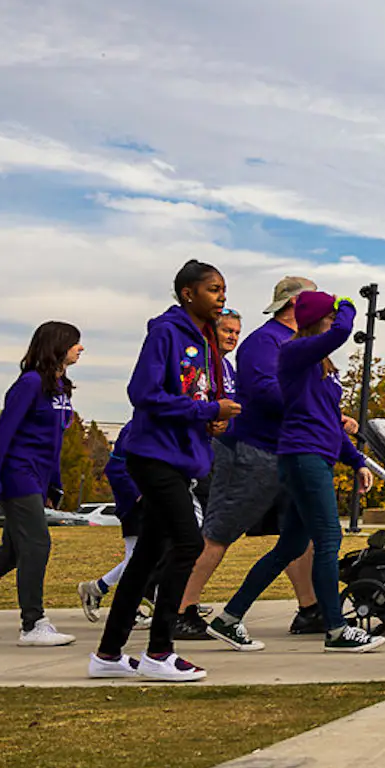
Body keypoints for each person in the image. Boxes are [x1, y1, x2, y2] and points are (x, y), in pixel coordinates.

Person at [90, 261, 241, 682]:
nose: (222, 297)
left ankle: (107, 654)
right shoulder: (166, 333)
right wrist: (207, 409)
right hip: (153, 455)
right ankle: (159, 652)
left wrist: (213, 419)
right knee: (188, 544)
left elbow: (199, 394)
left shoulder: (209, 339)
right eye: (214, 289)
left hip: (183, 454)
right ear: (188, 293)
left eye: (224, 289)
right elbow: (143, 393)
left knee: (145, 558)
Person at [208, 292, 384, 653]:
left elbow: (329, 421)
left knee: (289, 546)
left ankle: (228, 618)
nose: (335, 319)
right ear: (322, 318)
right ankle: (336, 630)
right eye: (331, 315)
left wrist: (356, 460)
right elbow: (341, 332)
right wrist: (347, 305)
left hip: (314, 456)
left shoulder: (321, 364)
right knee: (328, 540)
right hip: (302, 458)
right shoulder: (294, 352)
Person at [173, 277, 324, 640]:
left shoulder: (300, 344)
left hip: (289, 452)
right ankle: (180, 610)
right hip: (252, 452)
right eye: (314, 301)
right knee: (219, 533)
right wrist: (315, 408)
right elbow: (264, 392)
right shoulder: (263, 342)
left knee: (299, 533)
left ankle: (310, 609)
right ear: (294, 304)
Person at [0, 321, 83, 646]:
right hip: (17, 473)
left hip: (37, 478)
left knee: (11, 554)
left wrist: (54, 485)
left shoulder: (60, 387)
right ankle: (33, 624)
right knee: (37, 545)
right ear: (58, 345)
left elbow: (54, 442)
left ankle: (34, 622)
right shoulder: (29, 384)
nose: (80, 348)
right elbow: (2, 436)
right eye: (75, 342)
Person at [77, 426, 143, 622]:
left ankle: (98, 588)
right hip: (135, 504)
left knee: (148, 558)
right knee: (137, 560)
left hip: (155, 499)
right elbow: (115, 468)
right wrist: (137, 494)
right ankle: (129, 608)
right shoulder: (135, 429)